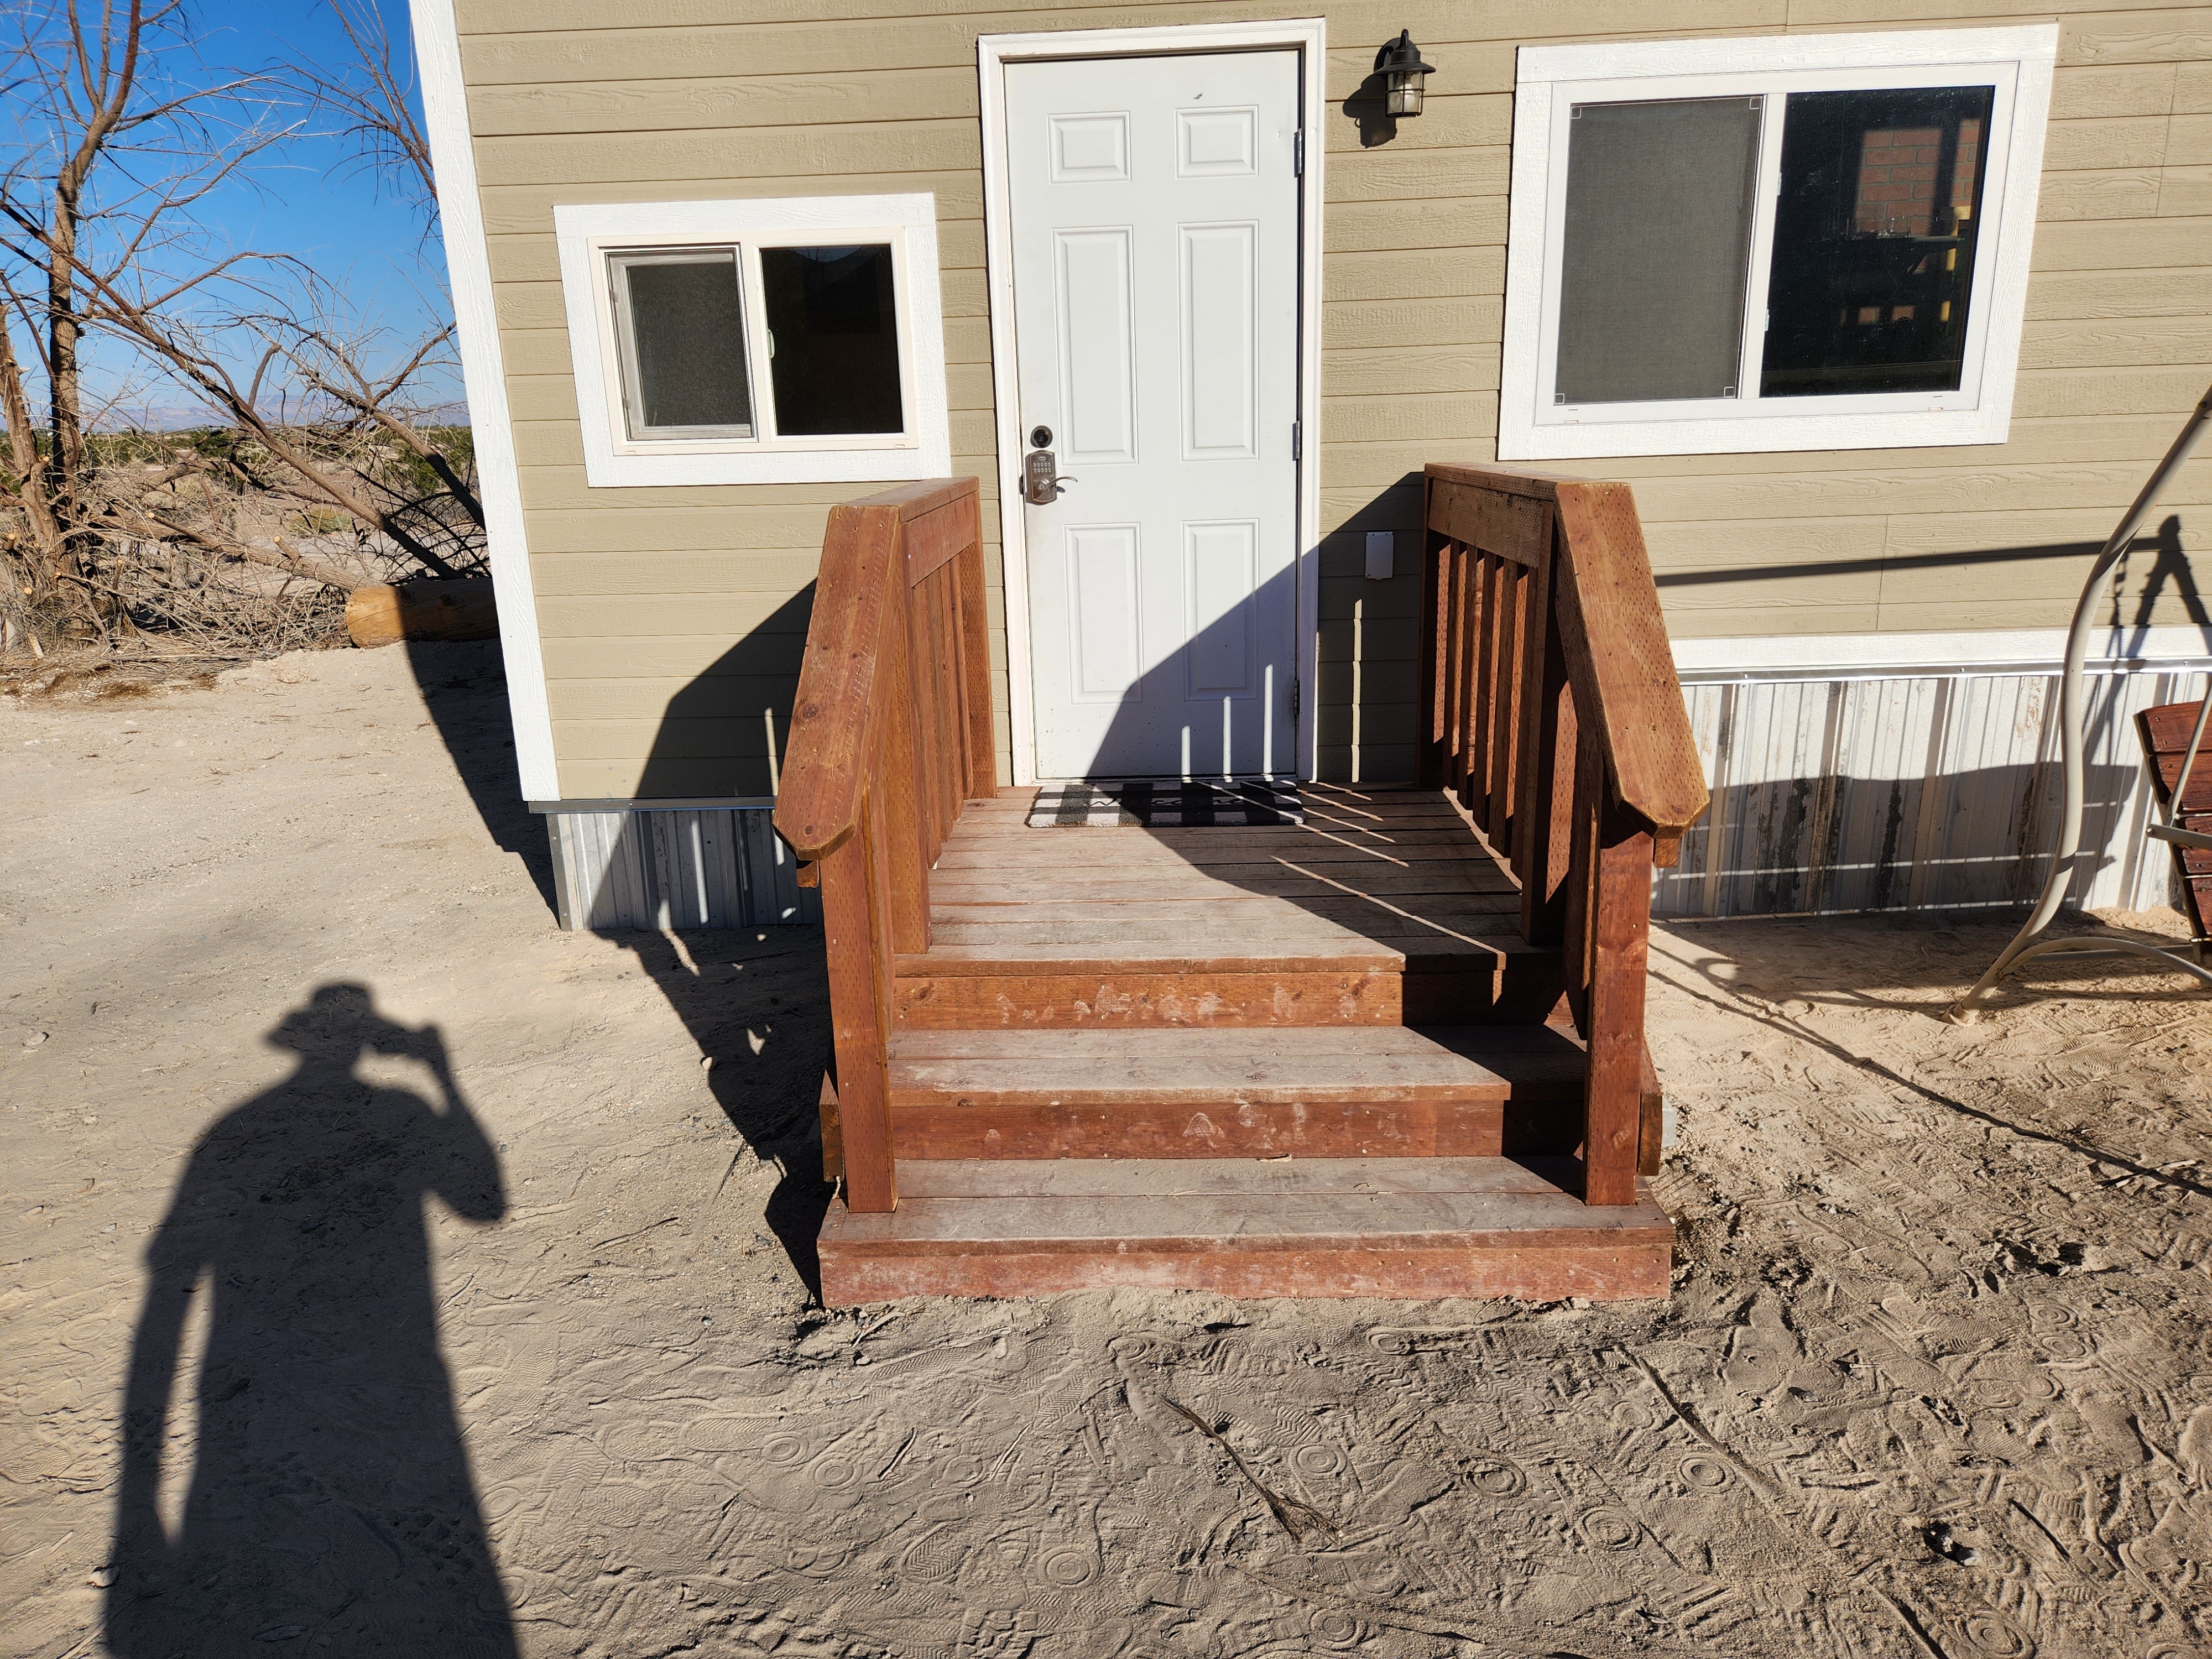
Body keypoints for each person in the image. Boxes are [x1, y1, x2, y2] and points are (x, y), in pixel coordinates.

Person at [109, 983, 516, 1657]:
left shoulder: (232, 1128)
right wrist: (444, 1073)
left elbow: (168, 1285)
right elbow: (486, 1204)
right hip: (398, 1366)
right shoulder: (403, 1108)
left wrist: (139, 1487)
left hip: (263, 1378)